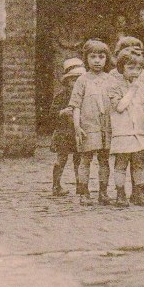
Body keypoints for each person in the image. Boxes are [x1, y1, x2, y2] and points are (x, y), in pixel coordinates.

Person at [71, 39, 114, 205]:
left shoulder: (110, 79)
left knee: (104, 160)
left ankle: (103, 192)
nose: (97, 60)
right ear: (86, 58)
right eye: (93, 56)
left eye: (101, 57)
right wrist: (77, 127)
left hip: (106, 126)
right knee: (86, 159)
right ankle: (84, 192)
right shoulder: (82, 80)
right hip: (88, 127)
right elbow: (75, 106)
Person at [108, 52, 144, 207]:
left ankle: (138, 193)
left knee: (139, 164)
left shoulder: (142, 88)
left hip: (139, 131)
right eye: (131, 68)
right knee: (121, 164)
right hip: (123, 132)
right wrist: (132, 90)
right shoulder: (115, 86)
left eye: (138, 68)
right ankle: (120, 193)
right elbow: (119, 107)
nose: (135, 72)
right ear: (121, 68)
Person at [50, 58, 84, 197]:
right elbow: (51, 114)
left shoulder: (84, 96)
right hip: (64, 132)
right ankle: (56, 185)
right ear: (67, 81)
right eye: (73, 80)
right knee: (61, 159)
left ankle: (80, 184)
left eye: (79, 80)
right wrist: (62, 112)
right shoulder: (61, 96)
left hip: (77, 131)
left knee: (79, 159)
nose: (76, 83)